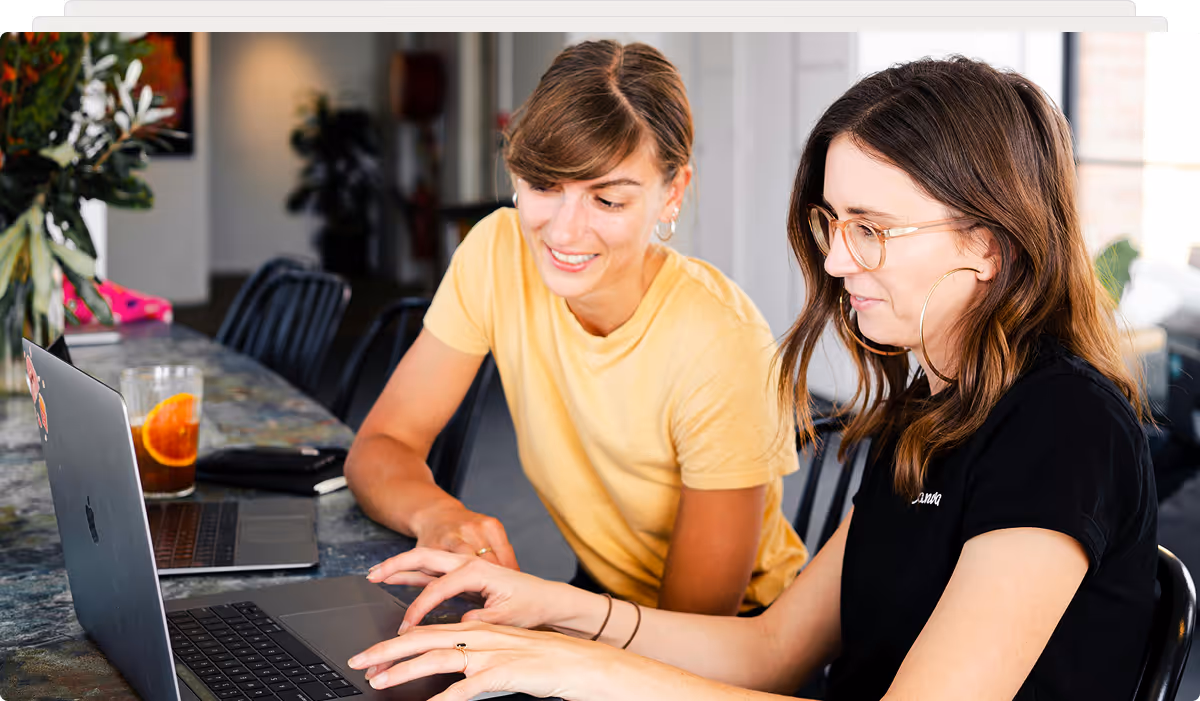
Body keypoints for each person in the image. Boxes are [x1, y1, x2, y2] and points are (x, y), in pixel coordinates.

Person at [345, 55, 1159, 701]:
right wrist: (555, 612)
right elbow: (773, 649)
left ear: (987, 242)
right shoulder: (935, 407)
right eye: (833, 223)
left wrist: (577, 666)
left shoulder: (1064, 429)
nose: (836, 260)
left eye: (872, 229)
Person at [343, 39, 809, 617]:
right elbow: (380, 447)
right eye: (544, 186)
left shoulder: (721, 343)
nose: (564, 232)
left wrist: (546, 615)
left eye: (607, 200)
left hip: (732, 640)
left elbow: (694, 631)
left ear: (673, 193)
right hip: (602, 595)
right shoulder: (497, 251)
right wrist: (438, 515)